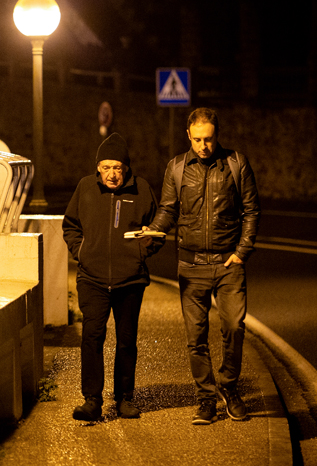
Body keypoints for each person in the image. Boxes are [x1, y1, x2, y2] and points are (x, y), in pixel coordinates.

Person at [146, 107, 260, 425]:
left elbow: (251, 210)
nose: (203, 146)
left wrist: (242, 251)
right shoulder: (177, 167)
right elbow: (168, 210)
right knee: (196, 337)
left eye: (208, 139)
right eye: (197, 139)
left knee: (234, 327)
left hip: (228, 264)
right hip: (191, 264)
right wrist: (154, 230)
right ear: (188, 135)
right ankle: (206, 399)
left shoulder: (236, 163)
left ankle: (229, 387)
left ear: (217, 135)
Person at [62, 133, 164, 421]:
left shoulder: (142, 189)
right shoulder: (85, 187)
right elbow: (70, 225)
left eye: (117, 168)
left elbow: (158, 229)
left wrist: (143, 250)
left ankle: (125, 398)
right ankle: (92, 400)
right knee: (92, 337)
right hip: (91, 278)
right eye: (106, 167)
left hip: (130, 279)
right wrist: (81, 252)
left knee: (126, 340)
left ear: (126, 168)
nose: (112, 174)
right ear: (98, 168)